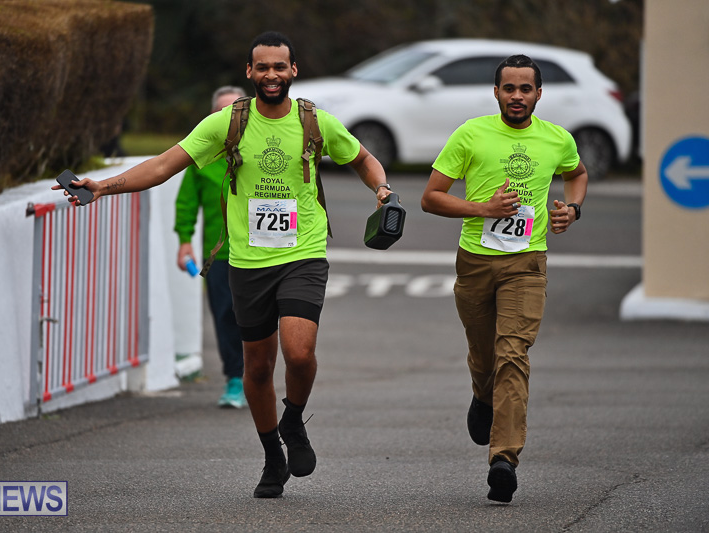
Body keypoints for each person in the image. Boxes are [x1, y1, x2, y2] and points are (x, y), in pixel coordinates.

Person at [53, 31, 394, 499]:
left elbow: (364, 158)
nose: (271, 75)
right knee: (256, 367)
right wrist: (104, 187)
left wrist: (382, 189)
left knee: (298, 352)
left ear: (293, 71)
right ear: (249, 72)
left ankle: (293, 421)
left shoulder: (316, 121)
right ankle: (272, 453)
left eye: (280, 67)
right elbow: (165, 164)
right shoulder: (226, 124)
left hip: (303, 252)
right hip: (247, 260)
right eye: (262, 67)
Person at [420, 54, 588, 503]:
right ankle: (481, 393)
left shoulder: (557, 139)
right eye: (509, 88)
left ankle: (504, 459)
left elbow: (577, 174)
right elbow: (431, 198)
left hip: (527, 264)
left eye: (525, 89)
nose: (517, 96)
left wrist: (572, 208)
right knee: (483, 354)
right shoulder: (470, 134)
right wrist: (483, 209)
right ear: (496, 92)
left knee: (512, 353)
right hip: (475, 261)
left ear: (538, 94)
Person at [175, 85, 248, 409]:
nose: (228, 118)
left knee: (262, 319)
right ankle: (235, 379)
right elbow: (187, 203)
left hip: (265, 252)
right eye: (221, 112)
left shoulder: (264, 150)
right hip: (219, 255)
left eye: (235, 111)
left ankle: (258, 377)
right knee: (225, 316)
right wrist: (184, 242)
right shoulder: (201, 158)